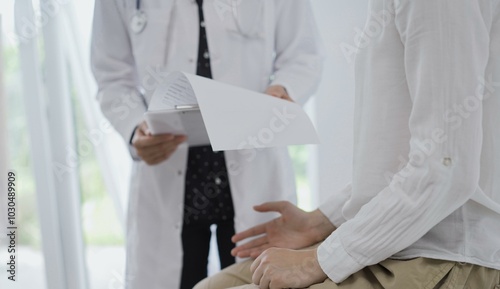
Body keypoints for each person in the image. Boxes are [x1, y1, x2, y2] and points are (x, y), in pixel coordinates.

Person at [194, 0, 500, 288]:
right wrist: (320, 222)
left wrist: (319, 260)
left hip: (445, 251)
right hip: (399, 237)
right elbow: (401, 165)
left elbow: (446, 170)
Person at [91, 0, 323, 288]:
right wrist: (133, 128)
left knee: (255, 280)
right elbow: (111, 74)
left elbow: (303, 55)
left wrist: (283, 90)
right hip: (168, 168)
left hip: (252, 168)